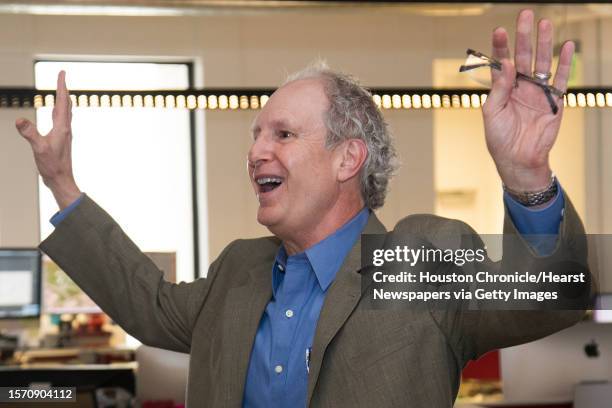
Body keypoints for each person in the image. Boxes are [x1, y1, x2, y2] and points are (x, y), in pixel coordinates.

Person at [15, 9, 587, 408]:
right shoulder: (239, 271)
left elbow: (546, 304)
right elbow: (147, 304)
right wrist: (62, 184)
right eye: (256, 133)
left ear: (347, 159)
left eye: (283, 134)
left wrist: (525, 175)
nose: (256, 151)